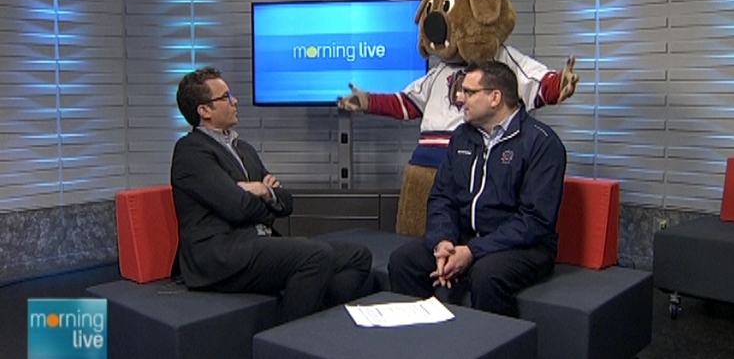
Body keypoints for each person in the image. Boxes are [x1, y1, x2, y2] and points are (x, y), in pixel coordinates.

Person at [170, 66, 372, 323]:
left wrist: (264, 191)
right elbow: (237, 207)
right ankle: (290, 342)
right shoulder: (191, 151)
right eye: (225, 97)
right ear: (204, 110)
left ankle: (309, 320)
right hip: (221, 256)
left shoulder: (243, 148)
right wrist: (265, 198)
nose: (235, 101)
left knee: (358, 256)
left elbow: (286, 202)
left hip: (258, 244)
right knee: (315, 256)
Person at [388, 59, 567, 317]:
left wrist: (473, 251)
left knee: (487, 276)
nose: (460, 98)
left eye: (469, 92)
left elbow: (535, 221)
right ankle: (420, 342)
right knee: (405, 261)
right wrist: (443, 241)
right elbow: (442, 197)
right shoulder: (462, 136)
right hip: (464, 238)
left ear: (495, 97)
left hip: (522, 247)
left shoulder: (541, 143)